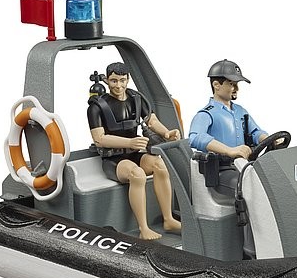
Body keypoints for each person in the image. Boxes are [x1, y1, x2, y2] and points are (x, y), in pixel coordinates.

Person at [88, 62, 181, 240]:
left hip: (134, 153)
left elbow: (152, 121)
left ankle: (168, 219)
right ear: (107, 80)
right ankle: (143, 228)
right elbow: (100, 139)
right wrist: (130, 142)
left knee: (160, 164)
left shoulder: (136, 99)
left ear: (128, 79)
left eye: (122, 80)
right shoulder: (96, 107)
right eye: (114, 81)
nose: (119, 85)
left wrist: (166, 133)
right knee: (137, 174)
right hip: (113, 160)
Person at [188, 59, 270, 193]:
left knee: (270, 180)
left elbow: (255, 132)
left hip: (244, 164)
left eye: (237, 84)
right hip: (221, 170)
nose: (236, 89)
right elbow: (195, 137)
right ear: (216, 85)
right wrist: (229, 150)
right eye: (232, 84)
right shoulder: (206, 113)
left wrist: (268, 139)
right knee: (248, 187)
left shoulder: (240, 111)